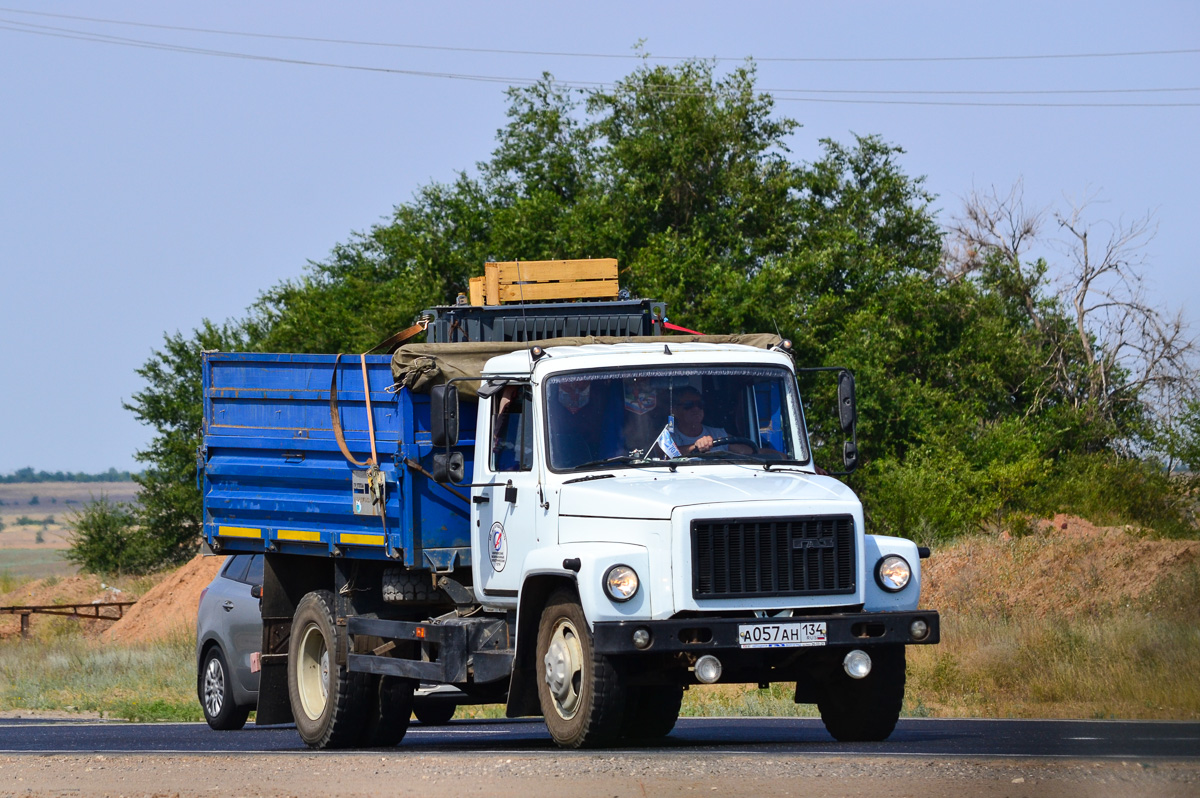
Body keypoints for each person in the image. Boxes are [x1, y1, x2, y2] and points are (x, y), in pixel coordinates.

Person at [668, 386, 752, 455]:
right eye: (689, 405)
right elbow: (664, 456)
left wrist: (731, 447)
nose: (696, 409)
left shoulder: (719, 434)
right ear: (674, 411)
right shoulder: (668, 437)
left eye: (700, 404)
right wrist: (695, 446)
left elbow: (750, 452)